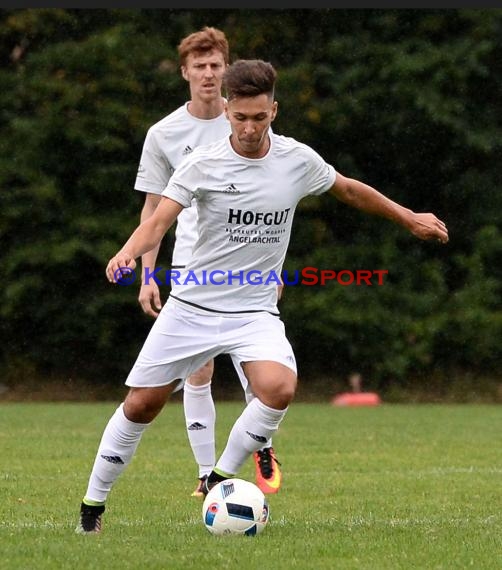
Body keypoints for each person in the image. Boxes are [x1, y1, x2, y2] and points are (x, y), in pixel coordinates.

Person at [76, 59, 448, 534]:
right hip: (191, 307)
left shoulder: (296, 160)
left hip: (254, 310)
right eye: (240, 118)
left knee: (279, 388)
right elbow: (159, 219)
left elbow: (351, 191)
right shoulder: (202, 164)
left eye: (260, 117)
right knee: (141, 406)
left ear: (274, 109)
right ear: (227, 110)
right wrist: (129, 252)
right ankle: (93, 506)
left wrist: (408, 216)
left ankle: (219, 477)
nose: (250, 128)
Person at [134, 26, 282, 498]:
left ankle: (259, 442)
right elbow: (153, 209)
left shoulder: (246, 118)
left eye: (216, 65)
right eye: (199, 66)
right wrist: (147, 273)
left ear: (227, 70)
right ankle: (206, 473)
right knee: (198, 371)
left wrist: (275, 267)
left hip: (248, 261)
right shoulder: (164, 133)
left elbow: (274, 193)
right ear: (185, 73)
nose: (209, 74)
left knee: (254, 361)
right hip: (192, 264)